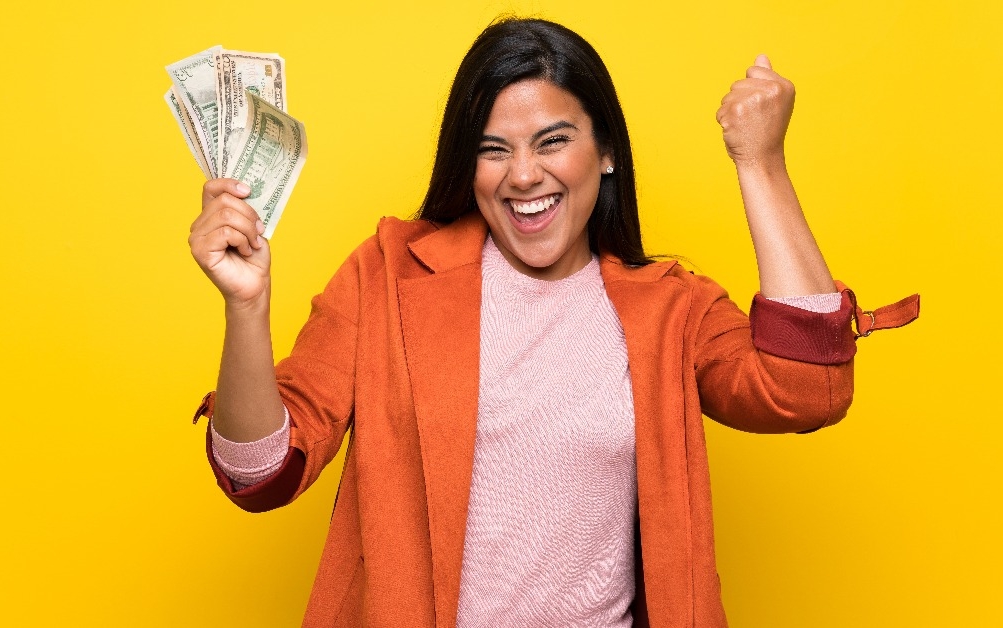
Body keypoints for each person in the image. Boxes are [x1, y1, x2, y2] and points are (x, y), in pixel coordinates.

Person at [187, 17, 918, 627]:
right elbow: (259, 475)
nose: (523, 175)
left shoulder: (670, 308)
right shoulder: (387, 275)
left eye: (552, 141)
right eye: (492, 149)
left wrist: (759, 163)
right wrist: (246, 307)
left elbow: (806, 390)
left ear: (604, 153)